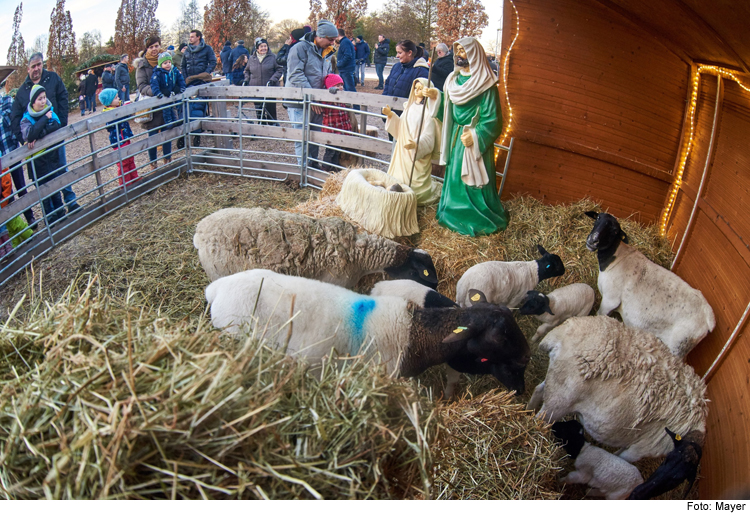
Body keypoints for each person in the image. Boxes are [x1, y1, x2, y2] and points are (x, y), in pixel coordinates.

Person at [435, 37, 509, 237]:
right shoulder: (452, 80)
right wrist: (435, 98)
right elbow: (447, 111)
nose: (459, 54)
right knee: (454, 178)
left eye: (464, 50)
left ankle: (477, 215)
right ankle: (451, 210)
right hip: (456, 137)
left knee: (475, 184)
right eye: (457, 50)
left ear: (474, 53)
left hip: (475, 142)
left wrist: (476, 135)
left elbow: (493, 119)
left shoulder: (486, 83)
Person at [11, 52, 79, 214]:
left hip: (55, 132)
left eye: (39, 64)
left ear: (43, 64)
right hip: (38, 140)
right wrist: (25, 139)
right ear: (28, 69)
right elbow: (15, 117)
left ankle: (71, 200)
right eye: (33, 66)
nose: (37, 69)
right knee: (44, 176)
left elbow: (63, 96)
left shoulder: (53, 79)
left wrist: (62, 122)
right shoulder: (22, 92)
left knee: (61, 167)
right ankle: (54, 212)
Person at [382, 78, 442, 205]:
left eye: (421, 88)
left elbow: (429, 137)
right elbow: (401, 127)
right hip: (402, 154)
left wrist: (416, 144)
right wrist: (391, 115)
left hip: (416, 156)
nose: (417, 90)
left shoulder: (428, 113)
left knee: (415, 191)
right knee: (396, 183)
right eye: (416, 88)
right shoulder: (409, 108)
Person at [286, 19, 337, 168]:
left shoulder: (326, 52)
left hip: (316, 101)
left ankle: (312, 166)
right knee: (302, 137)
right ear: (320, 36)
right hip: (299, 101)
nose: (332, 43)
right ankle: (304, 170)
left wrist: (332, 85)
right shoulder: (299, 48)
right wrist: (312, 97)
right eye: (330, 39)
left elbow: (326, 74)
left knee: (314, 136)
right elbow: (295, 75)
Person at [20, 85, 65, 223]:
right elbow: (30, 134)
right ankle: (50, 219)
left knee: (55, 189)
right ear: (33, 102)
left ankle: (61, 215)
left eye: (44, 97)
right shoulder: (26, 119)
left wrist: (41, 133)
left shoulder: (51, 111)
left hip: (51, 158)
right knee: (44, 193)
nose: (43, 101)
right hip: (37, 163)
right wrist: (45, 119)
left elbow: (57, 125)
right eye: (39, 99)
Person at [134, 36, 172, 170]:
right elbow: (141, 86)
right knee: (153, 134)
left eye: (156, 46)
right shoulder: (142, 65)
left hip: (166, 102)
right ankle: (153, 164)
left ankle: (168, 161)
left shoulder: (166, 59)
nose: (154, 49)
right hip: (152, 104)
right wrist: (156, 91)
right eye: (151, 47)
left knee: (167, 132)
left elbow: (172, 75)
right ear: (147, 48)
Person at [0, 85, 35, 226]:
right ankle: (18, 225)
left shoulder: (7, 102)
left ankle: (30, 216)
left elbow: (16, 122)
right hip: (1, 160)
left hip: (12, 150)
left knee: (20, 185)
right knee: (6, 191)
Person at [98, 88, 139, 187]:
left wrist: (126, 108)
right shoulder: (108, 113)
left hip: (125, 137)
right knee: (123, 162)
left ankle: (134, 178)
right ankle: (126, 184)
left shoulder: (118, 108)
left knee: (130, 158)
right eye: (116, 98)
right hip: (119, 140)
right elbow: (111, 125)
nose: (119, 99)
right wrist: (122, 111)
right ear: (109, 101)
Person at [243, 39, 283, 125]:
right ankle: (261, 124)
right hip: (256, 87)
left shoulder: (273, 57)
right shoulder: (252, 58)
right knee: (259, 107)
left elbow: (279, 69)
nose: (264, 48)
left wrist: (273, 79)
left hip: (269, 86)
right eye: (261, 46)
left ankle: (272, 124)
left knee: (270, 107)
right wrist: (246, 79)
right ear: (257, 48)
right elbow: (246, 71)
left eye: (265, 46)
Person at [321, 74, 353, 168]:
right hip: (331, 130)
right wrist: (330, 95)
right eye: (337, 85)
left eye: (341, 85)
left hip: (340, 129)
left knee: (337, 150)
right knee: (330, 151)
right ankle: (326, 168)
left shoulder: (342, 97)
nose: (341, 87)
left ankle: (334, 168)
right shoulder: (327, 98)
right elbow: (323, 103)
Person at [150, 52, 186, 129]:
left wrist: (181, 87)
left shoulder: (174, 71)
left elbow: (180, 79)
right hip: (165, 94)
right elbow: (154, 84)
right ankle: (169, 122)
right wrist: (158, 92)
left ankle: (177, 120)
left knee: (178, 105)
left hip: (173, 92)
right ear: (161, 64)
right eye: (165, 63)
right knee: (167, 108)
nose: (168, 64)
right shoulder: (158, 73)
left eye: (169, 62)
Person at [335, 29, 356, 93]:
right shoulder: (345, 42)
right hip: (345, 69)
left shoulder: (345, 42)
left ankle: (355, 103)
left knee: (350, 89)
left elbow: (348, 55)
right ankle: (351, 102)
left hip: (346, 69)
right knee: (346, 88)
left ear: (338, 34)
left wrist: (339, 64)